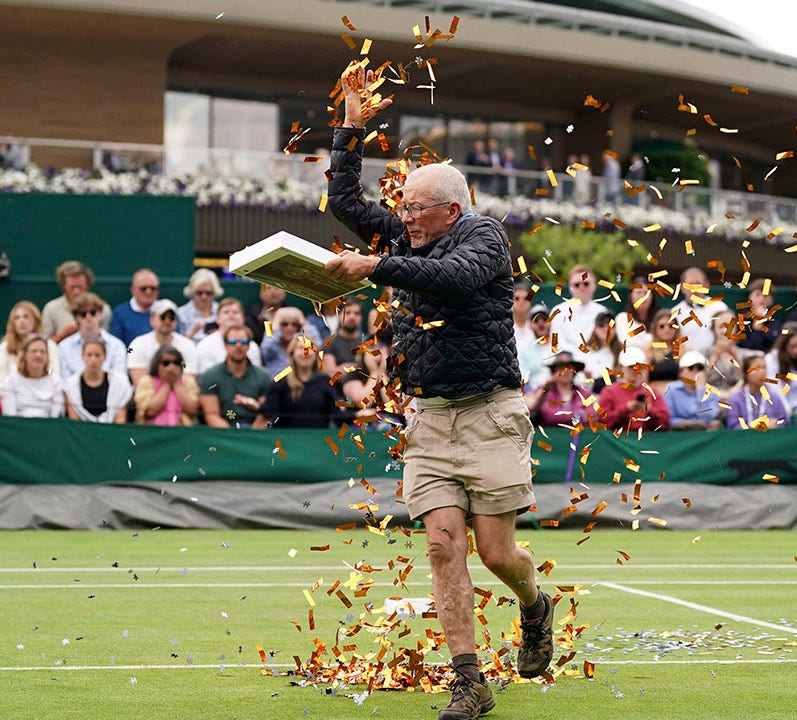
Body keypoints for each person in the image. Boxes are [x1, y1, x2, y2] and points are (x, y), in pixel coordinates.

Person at [324, 60, 551, 720]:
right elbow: (344, 204)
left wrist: (371, 265)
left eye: (414, 209)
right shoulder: (405, 232)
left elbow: (448, 280)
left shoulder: (483, 237)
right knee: (442, 543)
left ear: (449, 209)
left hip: (490, 412)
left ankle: (534, 605)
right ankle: (468, 680)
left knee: (496, 551)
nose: (401, 218)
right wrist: (350, 128)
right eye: (401, 209)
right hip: (429, 415)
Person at [253, 336, 337, 429]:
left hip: (317, 439)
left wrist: (354, 413)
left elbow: (337, 414)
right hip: (287, 439)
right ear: (292, 354)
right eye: (301, 348)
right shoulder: (281, 381)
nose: (305, 352)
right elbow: (269, 411)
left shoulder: (325, 381)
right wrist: (257, 407)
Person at [198, 324, 267, 429]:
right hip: (222, 434)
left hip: (254, 434)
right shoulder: (210, 377)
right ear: (225, 345)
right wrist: (233, 437)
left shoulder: (263, 376)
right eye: (232, 342)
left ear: (249, 345)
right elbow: (211, 415)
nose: (238, 346)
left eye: (243, 342)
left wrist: (251, 435)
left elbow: (265, 416)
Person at [0, 301, 60, 393]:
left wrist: (43, 382)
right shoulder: (5, 347)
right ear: (13, 323)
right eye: (17, 318)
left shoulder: (49, 345)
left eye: (26, 317)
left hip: (44, 394)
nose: (21, 321)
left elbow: (53, 372)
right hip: (12, 395)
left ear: (35, 321)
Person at [597, 346, 670, 431]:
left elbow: (665, 422)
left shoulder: (652, 392)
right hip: (618, 441)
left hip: (646, 439)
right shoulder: (609, 392)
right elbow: (602, 421)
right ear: (621, 367)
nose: (635, 371)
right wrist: (625, 409)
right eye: (631, 367)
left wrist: (650, 411)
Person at [57, 292, 128, 380]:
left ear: (100, 314)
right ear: (76, 317)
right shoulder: (64, 347)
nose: (88, 317)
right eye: (83, 314)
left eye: (93, 312)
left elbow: (120, 378)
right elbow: (64, 380)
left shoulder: (116, 345)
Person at [127, 300, 198, 385]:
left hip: (179, 395)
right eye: (163, 317)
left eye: (171, 317)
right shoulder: (137, 345)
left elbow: (188, 380)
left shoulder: (188, 345)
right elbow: (140, 383)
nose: (167, 321)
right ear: (151, 320)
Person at [63, 339, 132, 423]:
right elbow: (74, 422)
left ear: (105, 357)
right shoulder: (70, 385)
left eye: (97, 355)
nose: (93, 359)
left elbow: (120, 420)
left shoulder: (120, 383)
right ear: (82, 356)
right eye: (89, 355)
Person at [41, 261, 111, 343]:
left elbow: (108, 342)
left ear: (88, 285)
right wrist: (63, 334)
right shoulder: (51, 309)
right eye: (72, 287)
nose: (76, 292)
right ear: (64, 286)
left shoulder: (103, 309)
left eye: (80, 287)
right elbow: (44, 346)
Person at [549, 264, 612, 352]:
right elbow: (556, 343)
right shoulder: (558, 311)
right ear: (570, 288)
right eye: (577, 285)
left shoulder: (603, 312)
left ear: (594, 286)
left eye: (586, 284)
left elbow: (606, 343)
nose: (581, 288)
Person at [0, 335, 64, 418]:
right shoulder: (10, 380)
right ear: (24, 355)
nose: (38, 355)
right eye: (34, 351)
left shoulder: (56, 381)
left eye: (43, 351)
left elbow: (56, 417)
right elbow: (10, 417)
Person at [133, 344, 199, 425]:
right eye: (166, 363)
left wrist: (175, 383)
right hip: (152, 430)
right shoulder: (146, 382)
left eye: (176, 363)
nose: (171, 367)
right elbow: (151, 411)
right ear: (157, 364)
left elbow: (192, 411)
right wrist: (167, 383)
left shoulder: (188, 382)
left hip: (183, 430)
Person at [195, 298, 263, 376]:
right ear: (217, 319)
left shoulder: (252, 346)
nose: (231, 315)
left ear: (243, 319)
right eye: (226, 312)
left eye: (235, 312)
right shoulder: (205, 345)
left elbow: (256, 376)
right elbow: (206, 378)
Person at [525, 350, 594, 426]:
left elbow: (592, 416)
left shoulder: (584, 393)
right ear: (553, 372)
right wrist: (577, 415)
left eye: (569, 368)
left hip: (579, 436)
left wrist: (569, 417)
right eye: (561, 368)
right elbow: (549, 416)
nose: (565, 372)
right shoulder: (544, 391)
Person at [763, 322, 797, 423]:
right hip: (780, 412)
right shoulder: (771, 359)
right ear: (784, 344)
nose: (796, 351)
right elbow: (775, 389)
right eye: (793, 346)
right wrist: (786, 412)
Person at [672, 266, 728, 355]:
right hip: (688, 361)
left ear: (706, 285)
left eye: (698, 284)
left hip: (717, 359)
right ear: (682, 287)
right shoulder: (674, 313)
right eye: (690, 284)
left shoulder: (720, 307)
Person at [726, 354, 789, 429]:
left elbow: (785, 422)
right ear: (746, 373)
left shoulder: (774, 397)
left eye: (764, 367)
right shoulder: (735, 399)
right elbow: (732, 426)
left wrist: (777, 424)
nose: (762, 371)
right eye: (757, 368)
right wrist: (755, 427)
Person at [663, 350, 722, 430]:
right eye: (691, 368)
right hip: (679, 433)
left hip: (705, 434)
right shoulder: (671, 389)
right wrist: (688, 424)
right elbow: (668, 418)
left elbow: (710, 417)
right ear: (681, 372)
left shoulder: (713, 392)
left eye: (700, 369)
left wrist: (700, 391)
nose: (695, 372)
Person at [260, 306, 321, 375]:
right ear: (277, 326)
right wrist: (275, 321)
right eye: (284, 324)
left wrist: (302, 321)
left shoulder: (303, 347)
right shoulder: (273, 348)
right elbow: (266, 346)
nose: (289, 328)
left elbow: (318, 348)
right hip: (278, 385)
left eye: (294, 324)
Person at [109, 268, 160, 346]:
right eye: (143, 288)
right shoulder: (120, 313)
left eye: (153, 288)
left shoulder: (166, 311)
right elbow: (117, 346)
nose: (148, 292)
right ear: (133, 290)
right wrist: (134, 353)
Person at [510, 284, 546, 390]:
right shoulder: (505, 327)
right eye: (516, 298)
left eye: (526, 298)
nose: (521, 302)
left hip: (536, 377)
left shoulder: (538, 327)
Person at [705, 310, 744, 399]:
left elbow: (746, 379)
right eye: (721, 326)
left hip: (738, 399)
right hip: (710, 399)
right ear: (713, 329)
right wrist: (716, 355)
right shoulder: (704, 353)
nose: (725, 330)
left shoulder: (745, 355)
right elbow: (702, 378)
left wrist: (735, 356)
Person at [614, 276, 659, 352]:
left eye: (646, 293)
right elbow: (624, 341)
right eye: (638, 292)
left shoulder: (659, 320)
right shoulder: (622, 318)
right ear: (631, 296)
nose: (643, 297)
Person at [579, 311, 621, 391]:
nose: (606, 329)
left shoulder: (623, 351)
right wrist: (588, 378)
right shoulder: (584, 351)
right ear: (595, 328)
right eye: (601, 325)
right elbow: (579, 384)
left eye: (610, 325)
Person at [736, 278, 780, 354]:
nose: (761, 299)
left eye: (765, 296)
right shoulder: (742, 318)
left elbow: (773, 343)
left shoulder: (774, 321)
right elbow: (748, 344)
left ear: (771, 300)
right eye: (757, 295)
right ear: (750, 297)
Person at [178, 268, 223, 342]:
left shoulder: (223, 311)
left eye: (208, 293)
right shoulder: (180, 314)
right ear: (192, 292)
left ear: (214, 292)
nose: (204, 297)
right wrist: (191, 334)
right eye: (199, 293)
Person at [322, 297, 367, 370]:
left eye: (357, 313)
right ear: (338, 315)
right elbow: (331, 374)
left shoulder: (366, 342)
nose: (352, 317)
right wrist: (357, 366)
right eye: (347, 313)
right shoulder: (329, 343)